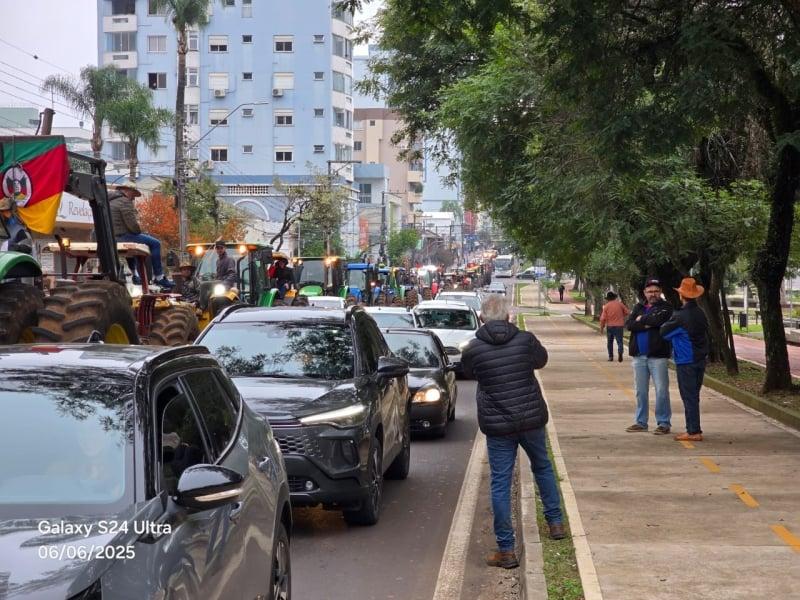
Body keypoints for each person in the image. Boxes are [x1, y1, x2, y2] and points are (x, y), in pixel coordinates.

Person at [462, 294, 565, 570]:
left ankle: (506, 550)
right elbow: (541, 361)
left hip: (498, 425)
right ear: (509, 316)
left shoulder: (473, 349)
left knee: (500, 483)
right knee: (542, 467)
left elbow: (470, 373)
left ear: (482, 317)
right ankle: (555, 523)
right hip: (531, 418)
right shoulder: (526, 340)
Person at [660, 277, 709, 442]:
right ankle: (693, 428)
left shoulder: (680, 316)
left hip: (686, 360)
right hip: (700, 359)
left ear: (682, 295)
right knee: (694, 395)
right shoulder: (701, 313)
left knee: (689, 396)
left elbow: (664, 332)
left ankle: (693, 431)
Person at [625, 278, 674, 434]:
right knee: (640, 391)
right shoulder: (638, 307)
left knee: (661, 390)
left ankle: (664, 422)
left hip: (658, 356)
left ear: (660, 292)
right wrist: (646, 323)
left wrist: (642, 321)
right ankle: (641, 421)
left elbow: (660, 320)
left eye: (656, 291)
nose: (653, 294)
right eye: (650, 291)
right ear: (644, 293)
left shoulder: (666, 307)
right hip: (639, 356)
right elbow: (629, 324)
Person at [109, 185, 174, 289]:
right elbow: (132, 225)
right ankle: (159, 277)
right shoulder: (124, 201)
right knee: (155, 243)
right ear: (126, 190)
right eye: (133, 194)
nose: (134, 198)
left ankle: (135, 274)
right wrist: (139, 231)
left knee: (133, 245)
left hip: (110, 238)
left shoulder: (108, 201)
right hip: (121, 237)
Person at [599, 291, 630, 362]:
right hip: (619, 326)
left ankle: (611, 357)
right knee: (619, 341)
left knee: (610, 342)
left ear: (608, 299)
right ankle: (620, 352)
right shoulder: (620, 304)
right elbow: (627, 312)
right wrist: (621, 316)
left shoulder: (606, 306)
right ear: (614, 297)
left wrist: (601, 327)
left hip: (610, 326)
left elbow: (602, 318)